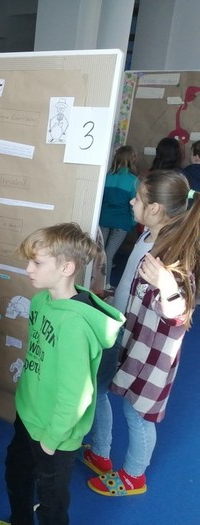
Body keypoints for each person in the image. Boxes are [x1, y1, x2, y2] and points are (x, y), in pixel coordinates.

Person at [0, 223, 124, 525]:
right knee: (17, 475)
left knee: (52, 504)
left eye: (37, 262)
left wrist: (52, 438)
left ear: (66, 268)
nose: (28, 269)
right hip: (29, 415)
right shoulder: (40, 302)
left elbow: (77, 395)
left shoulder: (74, 326)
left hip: (56, 432)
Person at [85, 170, 200, 497]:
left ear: (155, 209)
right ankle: (101, 452)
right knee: (104, 391)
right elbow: (133, 286)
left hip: (152, 353)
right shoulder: (150, 235)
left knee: (137, 414)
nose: (132, 202)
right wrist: (113, 299)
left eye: (138, 198)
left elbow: (179, 312)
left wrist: (166, 286)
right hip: (130, 336)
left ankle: (134, 476)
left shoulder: (174, 255)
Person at [99, 145, 138, 290]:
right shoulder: (134, 180)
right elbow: (134, 204)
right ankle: (106, 284)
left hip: (104, 219)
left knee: (100, 253)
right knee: (109, 255)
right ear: (132, 159)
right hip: (122, 222)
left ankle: (94, 281)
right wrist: (132, 222)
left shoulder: (106, 176)